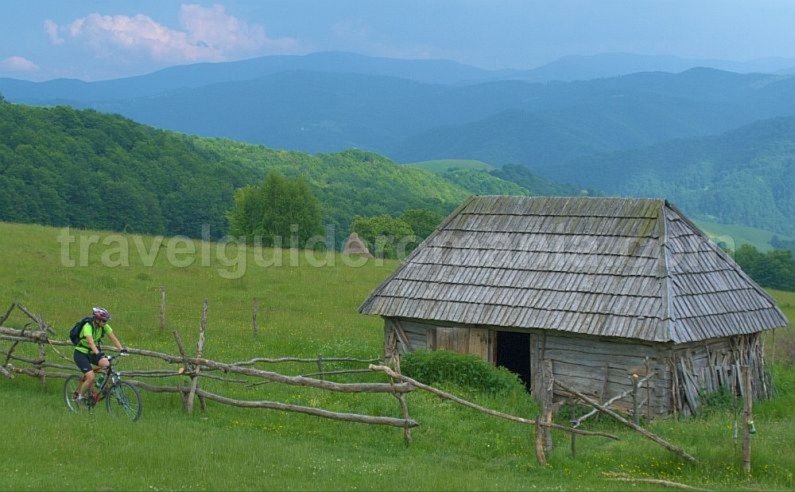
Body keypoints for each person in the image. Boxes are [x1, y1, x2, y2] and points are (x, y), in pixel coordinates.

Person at [72, 307, 127, 403]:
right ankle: (79, 397)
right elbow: (90, 343)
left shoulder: (104, 326)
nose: (105, 322)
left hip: (93, 353)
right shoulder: (87, 327)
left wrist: (121, 349)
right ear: (97, 320)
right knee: (91, 377)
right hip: (81, 353)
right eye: (104, 320)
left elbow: (113, 338)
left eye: (106, 321)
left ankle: (102, 387)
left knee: (107, 365)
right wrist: (98, 353)